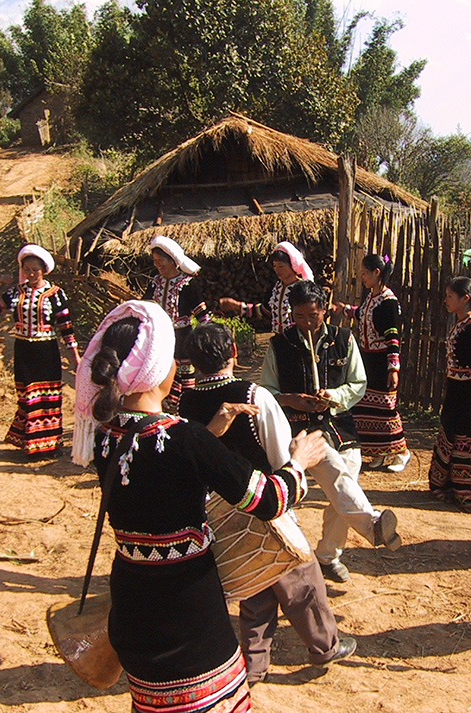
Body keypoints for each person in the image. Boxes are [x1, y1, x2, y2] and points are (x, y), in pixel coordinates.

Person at [72, 300, 326, 712]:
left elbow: (164, 481)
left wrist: (210, 434)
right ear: (159, 370)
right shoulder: (185, 438)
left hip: (133, 604)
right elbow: (267, 500)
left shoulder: (106, 435)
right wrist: (299, 462)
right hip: (188, 614)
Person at [180, 322, 357, 684]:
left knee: (255, 583)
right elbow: (280, 456)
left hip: (217, 513)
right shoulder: (255, 397)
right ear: (233, 352)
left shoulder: (185, 400)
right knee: (302, 580)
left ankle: (254, 662)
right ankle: (325, 644)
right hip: (263, 505)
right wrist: (295, 479)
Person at [261, 279, 402, 583]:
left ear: (324, 310)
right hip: (299, 429)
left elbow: (358, 383)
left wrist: (334, 397)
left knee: (348, 472)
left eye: (313, 316)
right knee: (331, 464)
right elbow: (266, 391)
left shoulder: (343, 339)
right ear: (292, 314)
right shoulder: (279, 345)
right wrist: (290, 399)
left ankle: (327, 555)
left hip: (338, 423)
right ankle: (371, 524)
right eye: (299, 317)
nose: (306, 323)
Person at [0, 245, 80, 457]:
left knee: (48, 396)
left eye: (35, 269)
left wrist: (75, 356)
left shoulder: (55, 294)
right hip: (24, 350)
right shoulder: (16, 293)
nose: (31, 273)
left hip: (46, 350)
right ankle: (31, 443)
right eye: (27, 269)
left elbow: (66, 325)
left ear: (44, 270)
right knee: (27, 395)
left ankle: (50, 445)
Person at [335, 253, 411, 472]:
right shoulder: (371, 297)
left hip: (381, 361)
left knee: (386, 408)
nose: (362, 277)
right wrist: (346, 310)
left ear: (377, 273)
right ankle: (379, 452)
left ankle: (401, 452)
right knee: (367, 408)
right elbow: (362, 314)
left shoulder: (389, 302)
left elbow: (393, 337)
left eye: (364, 273)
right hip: (367, 359)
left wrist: (393, 368)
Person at [428, 277, 471, 510]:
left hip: (469, 391)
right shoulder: (461, 324)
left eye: (450, 296)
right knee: (451, 429)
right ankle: (449, 485)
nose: (446, 300)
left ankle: (467, 492)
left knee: (467, 434)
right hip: (456, 387)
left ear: (465, 298)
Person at [141, 235, 209, 407]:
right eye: (154, 261)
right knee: (160, 371)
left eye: (160, 260)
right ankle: (165, 406)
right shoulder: (155, 283)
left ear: (172, 260)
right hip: (159, 337)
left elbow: (202, 312)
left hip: (182, 337)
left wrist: (205, 337)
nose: (157, 265)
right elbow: (146, 306)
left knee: (185, 373)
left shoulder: (187, 284)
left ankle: (187, 407)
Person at [219, 240, 312, 334]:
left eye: (281, 266)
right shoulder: (276, 289)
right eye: (275, 266)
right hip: (280, 341)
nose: (277, 270)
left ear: (292, 265)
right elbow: (264, 311)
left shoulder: (303, 289)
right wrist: (237, 306)